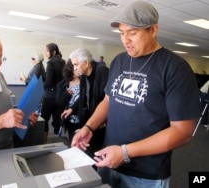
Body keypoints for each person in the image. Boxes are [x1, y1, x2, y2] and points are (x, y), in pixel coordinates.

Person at [71, 1, 201, 188]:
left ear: (153, 30)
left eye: (133, 33)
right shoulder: (119, 61)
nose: (125, 40)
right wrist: (89, 127)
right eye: (122, 33)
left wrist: (125, 152)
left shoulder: (175, 68)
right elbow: (108, 101)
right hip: (108, 160)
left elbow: (183, 132)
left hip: (145, 174)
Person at [69, 48, 109, 158]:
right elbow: (83, 97)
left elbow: (107, 100)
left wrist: (102, 120)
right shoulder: (83, 75)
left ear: (86, 63)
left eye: (76, 64)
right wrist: (71, 109)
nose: (74, 68)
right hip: (88, 119)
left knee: (96, 154)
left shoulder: (102, 71)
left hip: (100, 123)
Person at [41, 43, 65, 143]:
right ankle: (58, 142)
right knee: (57, 120)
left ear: (53, 51)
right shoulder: (63, 62)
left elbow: (49, 81)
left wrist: (40, 87)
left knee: (44, 120)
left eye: (47, 51)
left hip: (50, 96)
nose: (46, 53)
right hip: (60, 96)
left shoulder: (51, 63)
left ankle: (44, 142)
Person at [56, 59, 80, 141]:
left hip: (84, 119)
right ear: (70, 68)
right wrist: (66, 95)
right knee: (73, 142)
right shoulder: (62, 84)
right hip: (70, 119)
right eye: (76, 65)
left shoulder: (85, 82)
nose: (78, 68)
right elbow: (59, 102)